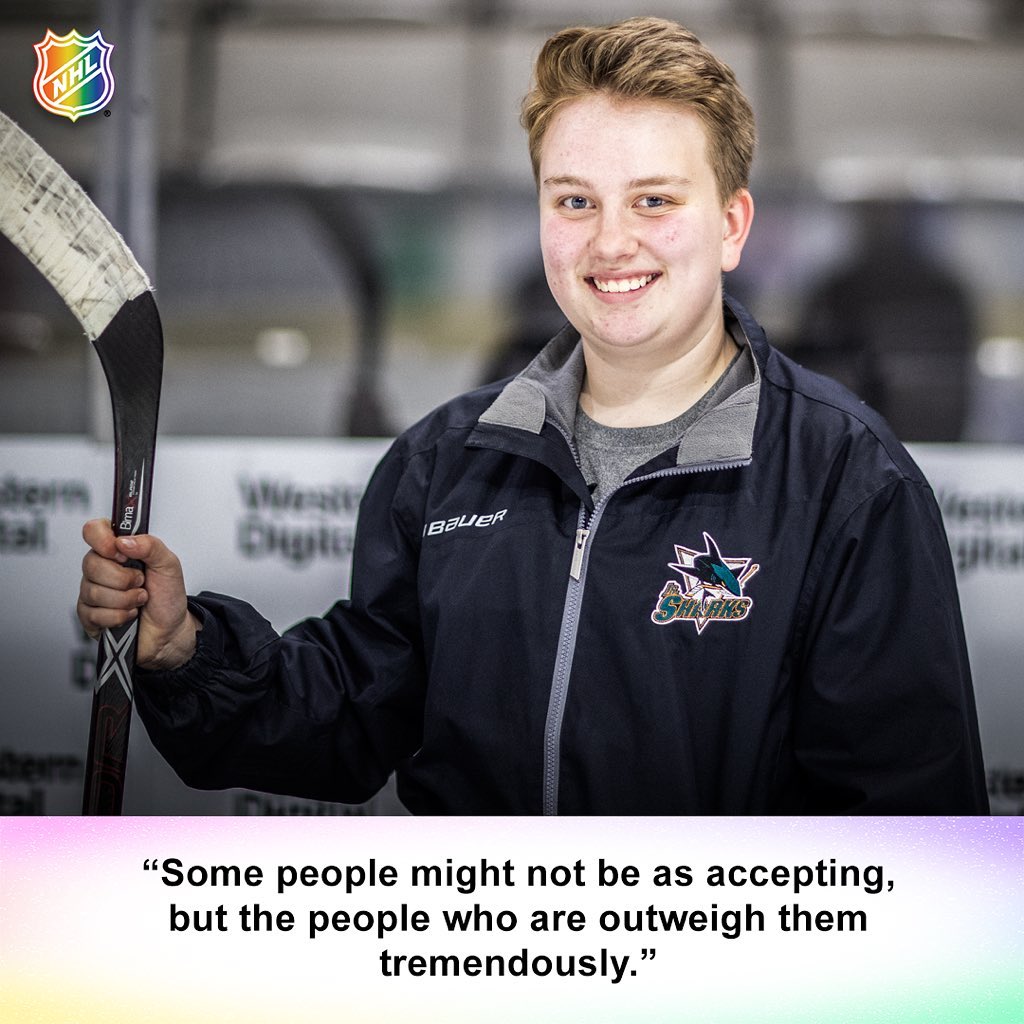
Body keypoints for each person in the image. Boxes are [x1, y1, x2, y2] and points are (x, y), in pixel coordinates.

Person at [77, 17, 988, 814]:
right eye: (575, 201)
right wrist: (186, 649)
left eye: (655, 201)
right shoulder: (447, 461)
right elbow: (352, 713)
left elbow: (906, 832)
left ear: (732, 226)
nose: (611, 241)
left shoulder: (845, 480)